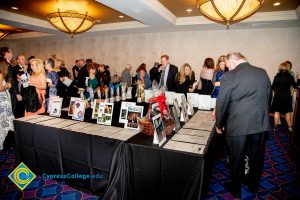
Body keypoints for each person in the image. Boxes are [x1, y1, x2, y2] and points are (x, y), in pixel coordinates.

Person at [215, 52, 271, 198]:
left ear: (232, 63)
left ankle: (236, 189)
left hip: (237, 125)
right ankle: (253, 186)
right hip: (260, 124)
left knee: (236, 158)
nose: (228, 69)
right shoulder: (262, 72)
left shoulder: (229, 76)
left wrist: (219, 124)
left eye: (228, 66)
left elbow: (222, 102)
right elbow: (268, 96)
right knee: (257, 158)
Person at [271, 62, 297, 132]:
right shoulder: (290, 77)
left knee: (276, 112)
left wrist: (274, 94)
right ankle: (290, 127)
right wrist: (292, 92)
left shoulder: (277, 76)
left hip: (278, 97)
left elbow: (273, 87)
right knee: (287, 113)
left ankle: (275, 127)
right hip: (287, 97)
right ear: (288, 68)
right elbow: (295, 86)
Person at [0, 47, 22, 116]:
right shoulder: (5, 64)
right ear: (7, 53)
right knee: (10, 113)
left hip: (6, 91)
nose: (12, 54)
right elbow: (11, 80)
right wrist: (17, 93)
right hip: (9, 93)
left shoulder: (5, 63)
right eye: (11, 52)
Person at [0, 59, 15, 150]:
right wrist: (7, 86)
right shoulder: (0, 74)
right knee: (8, 121)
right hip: (2, 102)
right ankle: (8, 143)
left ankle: (6, 143)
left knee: (4, 122)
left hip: (3, 101)